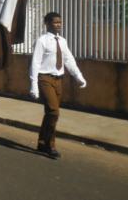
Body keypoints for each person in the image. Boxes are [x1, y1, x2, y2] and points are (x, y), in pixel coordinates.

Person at [30, 12, 87, 159]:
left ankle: (42, 143)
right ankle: (51, 146)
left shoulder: (62, 41)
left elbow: (69, 60)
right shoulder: (42, 41)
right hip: (45, 79)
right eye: (55, 22)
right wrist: (34, 85)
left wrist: (78, 77)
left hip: (58, 80)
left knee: (50, 113)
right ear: (47, 23)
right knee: (54, 112)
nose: (59, 25)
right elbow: (35, 63)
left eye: (60, 22)